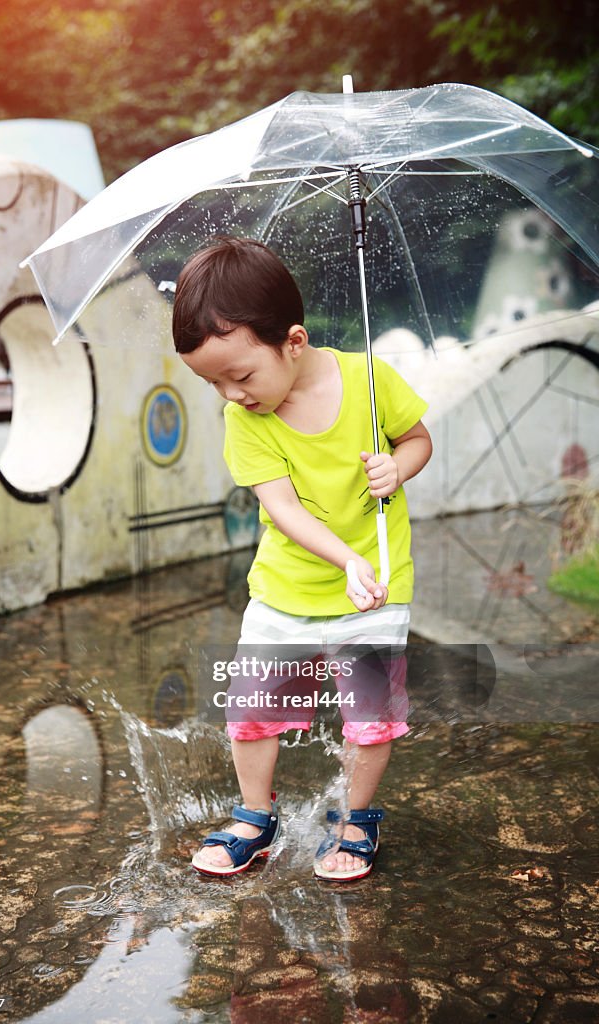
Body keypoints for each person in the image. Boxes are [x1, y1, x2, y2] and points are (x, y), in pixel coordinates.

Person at [172, 236, 432, 881]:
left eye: (241, 375)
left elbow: (420, 439)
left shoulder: (371, 383)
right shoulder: (247, 420)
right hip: (289, 586)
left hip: (376, 581)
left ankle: (357, 820)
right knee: (251, 709)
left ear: (293, 340)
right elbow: (283, 509)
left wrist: (397, 468)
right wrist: (343, 559)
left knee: (369, 717)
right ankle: (254, 816)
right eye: (214, 383)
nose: (232, 394)